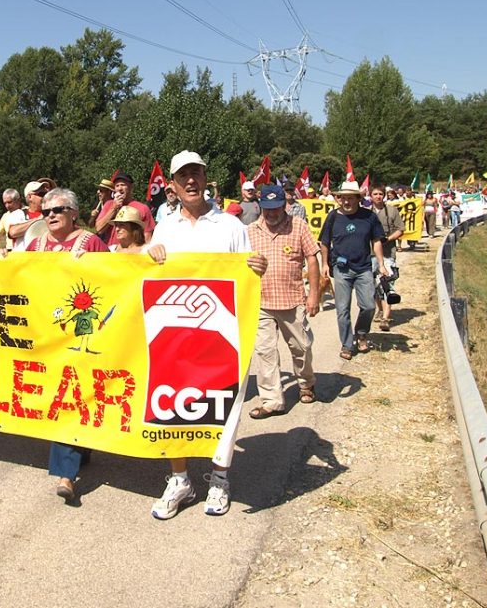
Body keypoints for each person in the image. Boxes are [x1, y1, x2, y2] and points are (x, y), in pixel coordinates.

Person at [145, 151, 267, 519]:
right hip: (177, 337)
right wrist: (150, 254)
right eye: (183, 177)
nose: (191, 182)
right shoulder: (166, 226)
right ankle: (179, 478)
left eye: (196, 173)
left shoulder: (230, 226)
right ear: (173, 185)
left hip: (222, 335)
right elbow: (151, 272)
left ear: (206, 177)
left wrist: (257, 267)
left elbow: (247, 274)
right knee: (172, 404)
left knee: (225, 406)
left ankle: (219, 478)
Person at [24, 187, 108, 502]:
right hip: (47, 335)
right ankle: (80, 449)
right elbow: (16, 277)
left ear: (73, 212)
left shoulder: (92, 243)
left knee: (69, 397)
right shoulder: (36, 245)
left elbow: (117, 279)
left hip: (81, 335)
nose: (51, 216)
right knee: (67, 398)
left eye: (58, 210)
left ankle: (66, 474)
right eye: (46, 212)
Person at [246, 185, 319, 418]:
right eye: (267, 209)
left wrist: (314, 295)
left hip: (292, 300)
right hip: (260, 302)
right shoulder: (250, 231)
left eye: (275, 209)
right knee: (265, 351)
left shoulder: (298, 226)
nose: (271, 214)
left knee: (302, 348)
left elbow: (312, 258)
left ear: (284, 205)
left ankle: (306, 383)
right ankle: (272, 400)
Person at [318, 180, 388, 361]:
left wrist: (381, 264)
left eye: (350, 198)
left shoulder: (369, 217)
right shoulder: (333, 217)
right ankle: (347, 345)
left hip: (364, 268)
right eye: (343, 198)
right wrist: (325, 264)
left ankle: (362, 333)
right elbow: (324, 242)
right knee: (342, 310)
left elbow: (377, 241)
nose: (346, 201)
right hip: (341, 269)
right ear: (339, 199)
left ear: (358, 198)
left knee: (369, 306)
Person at [370, 186, 405, 332]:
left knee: (386, 285)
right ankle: (380, 308)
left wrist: (388, 239)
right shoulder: (365, 212)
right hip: (369, 254)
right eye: (375, 194)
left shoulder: (392, 210)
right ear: (370, 195)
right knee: (373, 286)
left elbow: (400, 229)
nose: (378, 196)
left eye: (380, 194)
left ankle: (385, 318)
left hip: (388, 253)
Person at [94, 171, 155, 246]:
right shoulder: (108, 205)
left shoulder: (142, 208)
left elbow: (147, 237)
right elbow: (99, 229)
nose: (120, 188)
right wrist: (114, 208)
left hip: (132, 253)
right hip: (111, 252)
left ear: (131, 187)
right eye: (117, 186)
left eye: (123, 185)